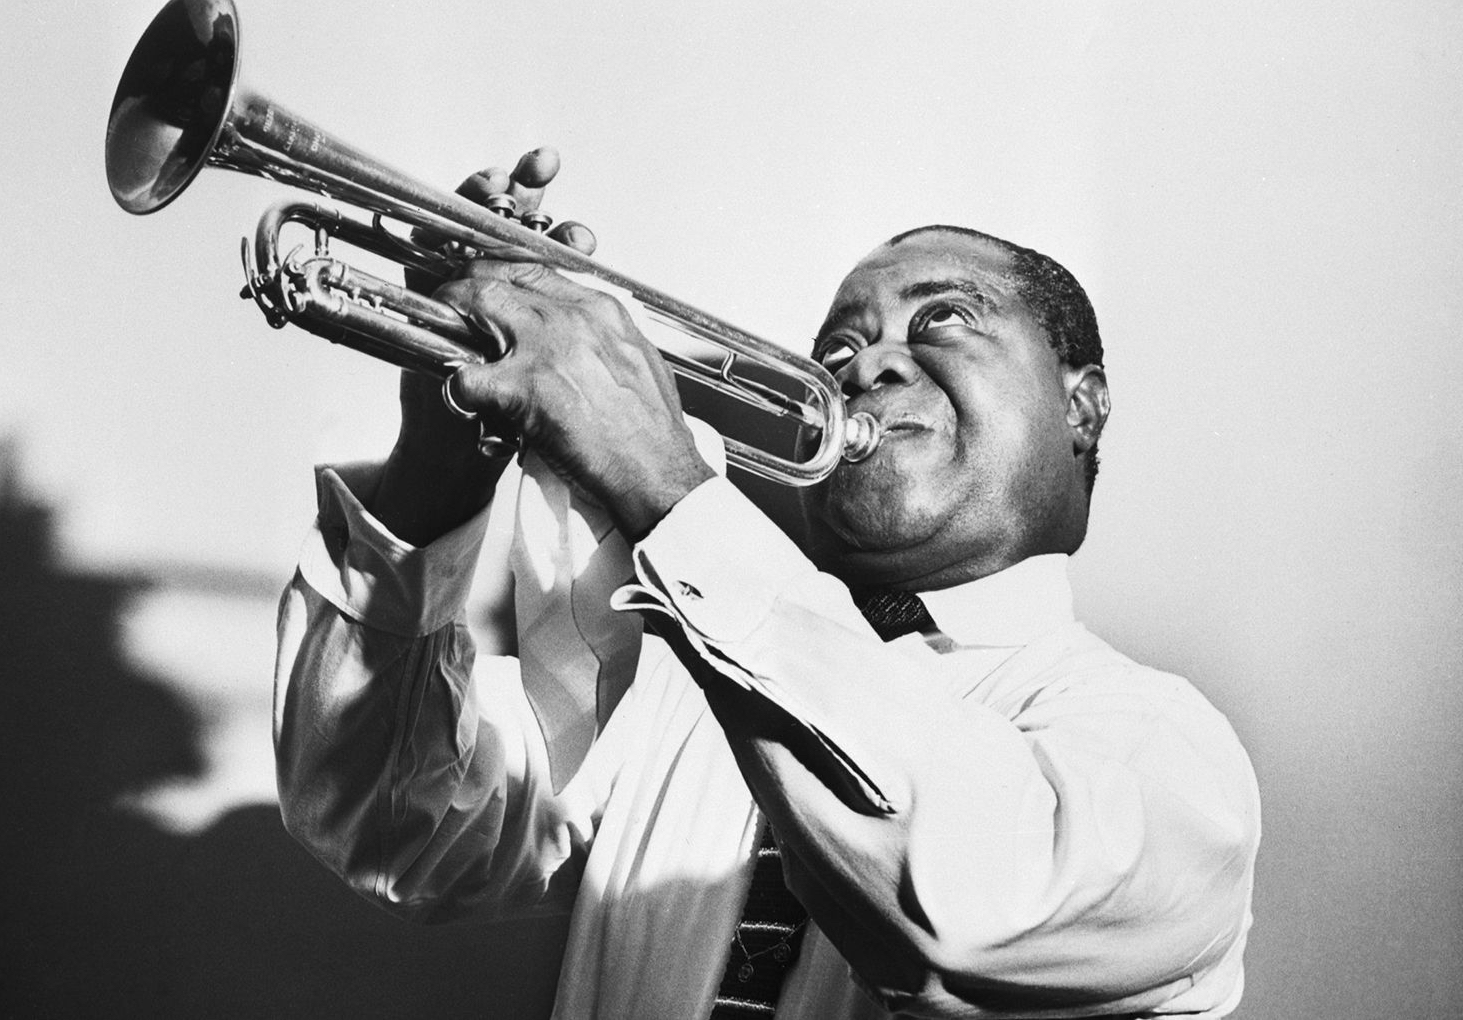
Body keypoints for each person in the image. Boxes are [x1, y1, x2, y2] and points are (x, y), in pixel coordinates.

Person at [272, 149, 1259, 1019]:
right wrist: (437, 464)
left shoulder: (1160, 748)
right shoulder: (675, 686)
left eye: (944, 319)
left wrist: (664, 484)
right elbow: (393, 831)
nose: (865, 365)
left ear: (1081, 405)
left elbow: (968, 920)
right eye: (838, 349)